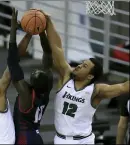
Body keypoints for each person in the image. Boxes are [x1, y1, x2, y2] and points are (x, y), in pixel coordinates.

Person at [39, 10, 130, 144]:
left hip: (83, 141)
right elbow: (57, 48)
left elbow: (124, 87)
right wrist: (49, 23)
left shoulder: (96, 91)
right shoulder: (66, 76)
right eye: (82, 63)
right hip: (60, 139)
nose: (80, 65)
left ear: (90, 76)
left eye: (85, 66)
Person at [7, 8, 53, 144]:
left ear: (32, 82)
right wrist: (41, 32)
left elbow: (12, 61)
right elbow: (48, 54)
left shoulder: (26, 95)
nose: (34, 71)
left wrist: (13, 31)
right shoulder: (46, 90)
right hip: (36, 137)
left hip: (25, 139)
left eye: (34, 74)